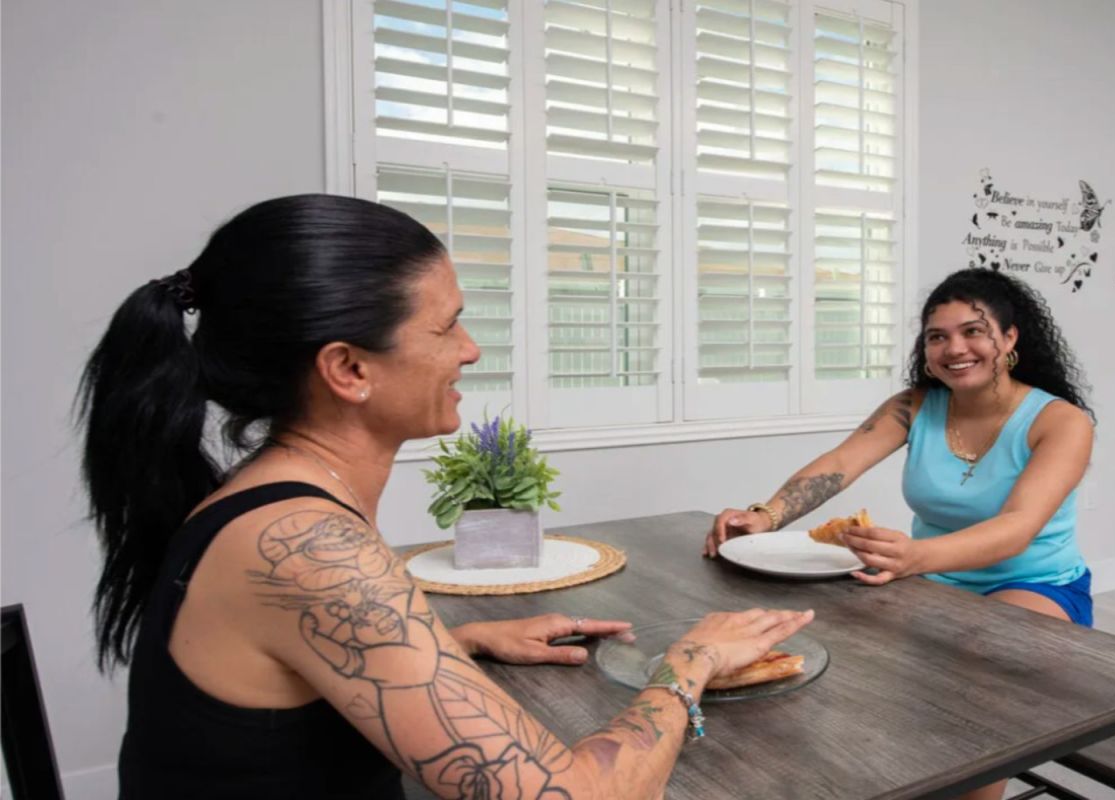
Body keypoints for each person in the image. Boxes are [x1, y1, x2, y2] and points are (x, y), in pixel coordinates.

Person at [78, 194, 813, 800]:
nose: (470, 349)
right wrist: (690, 661)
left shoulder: (275, 504)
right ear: (348, 369)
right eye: (446, 324)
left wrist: (457, 644)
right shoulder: (306, 547)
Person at [707, 268, 1093, 621]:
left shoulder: (1062, 422)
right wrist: (766, 517)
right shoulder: (913, 406)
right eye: (937, 337)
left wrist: (915, 556)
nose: (954, 348)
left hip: (1034, 584)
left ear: (1009, 338)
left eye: (973, 331)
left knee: (981, 646)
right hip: (927, 576)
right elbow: (841, 463)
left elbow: (1018, 527)